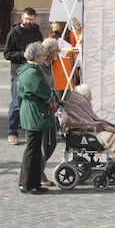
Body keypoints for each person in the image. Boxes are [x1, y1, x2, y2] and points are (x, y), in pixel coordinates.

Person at [62, 84, 115, 173]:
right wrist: (101, 125)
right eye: (89, 96)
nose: (91, 98)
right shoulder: (77, 106)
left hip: (87, 131)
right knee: (113, 135)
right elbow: (85, 123)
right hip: (84, 133)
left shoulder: (80, 104)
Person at [18, 42, 57, 194]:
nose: (43, 57)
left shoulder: (27, 70)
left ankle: (30, 182)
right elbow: (43, 91)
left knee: (33, 149)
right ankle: (29, 183)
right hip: (35, 112)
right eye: (41, 55)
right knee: (32, 149)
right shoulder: (33, 72)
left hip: (31, 110)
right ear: (36, 57)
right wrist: (51, 101)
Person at [3, 7, 44, 145]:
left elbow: (40, 46)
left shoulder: (36, 30)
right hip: (19, 72)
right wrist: (23, 54)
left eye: (31, 20)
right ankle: (12, 131)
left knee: (31, 102)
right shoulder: (14, 33)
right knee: (16, 102)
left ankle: (29, 129)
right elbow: (7, 54)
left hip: (33, 71)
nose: (29, 22)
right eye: (27, 19)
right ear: (22, 18)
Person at [38, 38, 61, 187]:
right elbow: (42, 89)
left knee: (51, 143)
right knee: (43, 144)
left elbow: (51, 87)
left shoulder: (49, 65)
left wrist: (57, 99)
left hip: (51, 109)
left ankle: (38, 171)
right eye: (56, 51)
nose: (58, 54)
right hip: (42, 111)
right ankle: (39, 174)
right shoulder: (40, 67)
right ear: (49, 52)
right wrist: (51, 101)